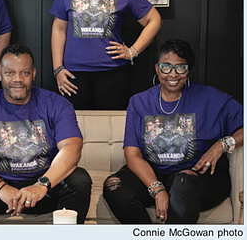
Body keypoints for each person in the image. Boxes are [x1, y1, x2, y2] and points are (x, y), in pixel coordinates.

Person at [0, 44, 92, 223]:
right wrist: (0, 187)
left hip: (42, 189)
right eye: (10, 73)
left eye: (25, 73)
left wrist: (42, 184)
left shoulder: (56, 104)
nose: (18, 79)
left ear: (34, 74)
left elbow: (72, 147)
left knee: (80, 179)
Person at [103, 39, 243, 224]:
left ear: (188, 69)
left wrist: (222, 145)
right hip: (154, 173)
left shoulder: (211, 98)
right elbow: (132, 155)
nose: (173, 74)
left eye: (181, 67)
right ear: (157, 68)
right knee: (114, 186)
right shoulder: (139, 102)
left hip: (197, 177)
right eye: (166, 67)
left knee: (183, 184)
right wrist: (157, 189)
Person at [50, 0, 162, 110]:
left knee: (110, 132)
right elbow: (59, 28)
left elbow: (154, 19)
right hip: (73, 75)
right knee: (74, 131)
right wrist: (58, 69)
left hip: (113, 74)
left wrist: (133, 51)